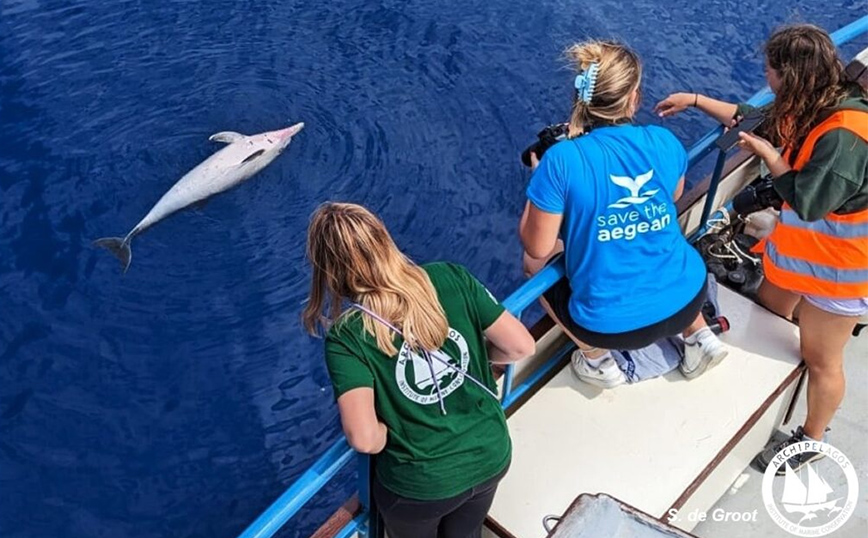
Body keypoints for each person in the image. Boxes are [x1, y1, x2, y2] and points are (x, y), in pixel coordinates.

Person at [656, 24, 868, 472]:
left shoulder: (845, 135)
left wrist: (772, 159)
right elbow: (751, 117)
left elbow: (810, 203)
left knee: (821, 358)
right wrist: (695, 99)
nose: (766, 78)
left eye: (770, 70)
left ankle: (811, 438)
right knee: (767, 320)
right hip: (796, 257)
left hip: (840, 274)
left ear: (789, 75)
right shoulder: (811, 104)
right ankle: (760, 402)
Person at [302, 202, 535, 538]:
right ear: (384, 239)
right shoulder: (450, 276)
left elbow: (364, 438)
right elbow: (521, 347)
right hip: (490, 455)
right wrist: (473, 359)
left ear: (328, 270)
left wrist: (386, 432)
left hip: (419, 487)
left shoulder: (347, 337)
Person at [520, 40, 728, 389]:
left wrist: (539, 180)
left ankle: (598, 360)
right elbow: (673, 195)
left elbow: (537, 246)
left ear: (580, 98)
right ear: (634, 97)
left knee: (532, 264)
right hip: (690, 299)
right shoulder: (663, 141)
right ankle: (701, 338)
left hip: (610, 328)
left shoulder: (561, 161)